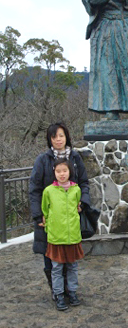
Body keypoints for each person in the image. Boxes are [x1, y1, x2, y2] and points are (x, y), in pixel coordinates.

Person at [29, 122, 90, 297]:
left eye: (61, 135)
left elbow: (84, 183)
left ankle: (69, 291)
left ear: (67, 137)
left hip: (70, 218)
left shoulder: (75, 158)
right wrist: (38, 215)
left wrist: (83, 202)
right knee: (50, 259)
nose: (58, 139)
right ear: (50, 139)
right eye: (54, 136)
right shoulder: (43, 159)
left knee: (69, 258)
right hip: (49, 218)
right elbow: (34, 189)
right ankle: (57, 292)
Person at [41, 158, 83, 311]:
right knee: (57, 268)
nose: (62, 174)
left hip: (72, 235)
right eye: (58, 171)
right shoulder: (48, 191)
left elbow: (78, 206)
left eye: (64, 170)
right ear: (54, 173)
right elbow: (45, 210)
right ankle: (59, 295)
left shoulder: (76, 189)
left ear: (70, 171)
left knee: (72, 266)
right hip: (56, 236)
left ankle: (72, 292)